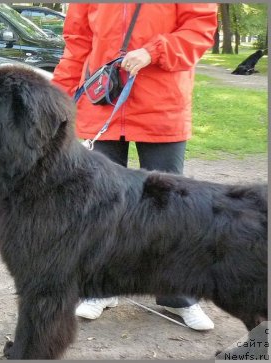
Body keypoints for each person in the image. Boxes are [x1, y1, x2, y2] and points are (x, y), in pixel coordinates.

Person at [52, 3, 218, 331]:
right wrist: (58, 98)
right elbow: (77, 44)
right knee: (101, 208)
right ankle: (102, 287)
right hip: (103, 105)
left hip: (162, 108)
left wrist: (155, 50)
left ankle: (178, 294)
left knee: (171, 210)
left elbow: (199, 31)